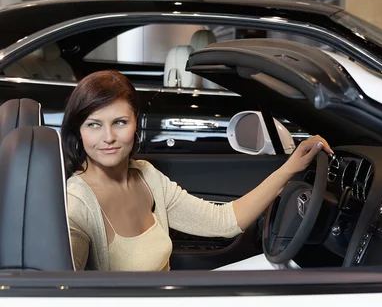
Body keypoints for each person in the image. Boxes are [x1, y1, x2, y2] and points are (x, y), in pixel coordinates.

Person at [63, 70, 332, 271]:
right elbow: (59, 286)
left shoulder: (146, 176)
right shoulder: (76, 203)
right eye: (94, 125)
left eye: (120, 122)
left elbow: (225, 221)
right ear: (78, 131)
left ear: (136, 124)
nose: (108, 137)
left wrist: (292, 166)